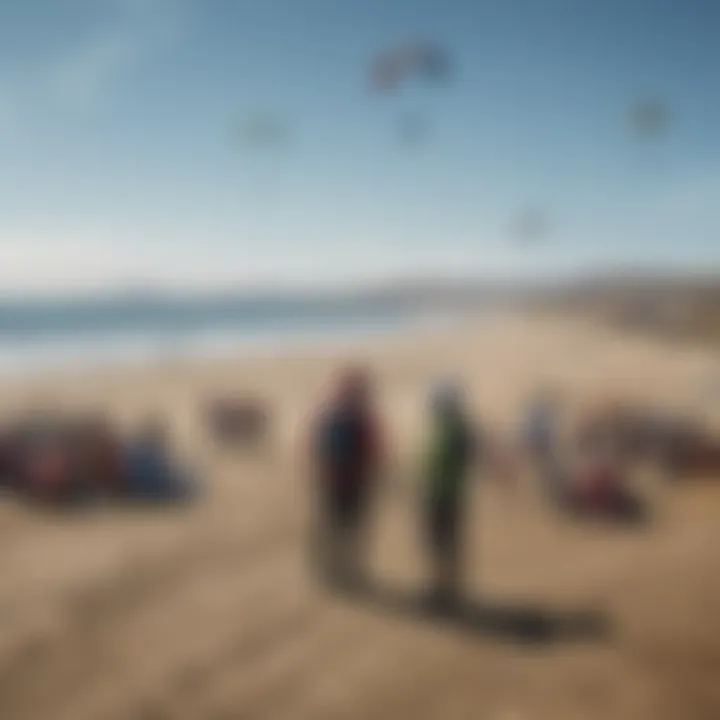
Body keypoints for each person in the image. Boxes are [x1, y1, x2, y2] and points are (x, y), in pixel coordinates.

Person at [310, 366, 382, 588]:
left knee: (345, 528)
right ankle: (338, 568)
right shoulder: (349, 418)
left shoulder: (343, 417)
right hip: (343, 481)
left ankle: (340, 569)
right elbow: (320, 447)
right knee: (342, 527)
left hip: (347, 481)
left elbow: (371, 450)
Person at [421, 381, 478, 610]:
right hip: (442, 492)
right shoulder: (448, 428)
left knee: (443, 542)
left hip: (445, 493)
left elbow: (449, 462)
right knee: (440, 542)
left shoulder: (455, 429)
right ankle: (443, 588)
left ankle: (446, 590)